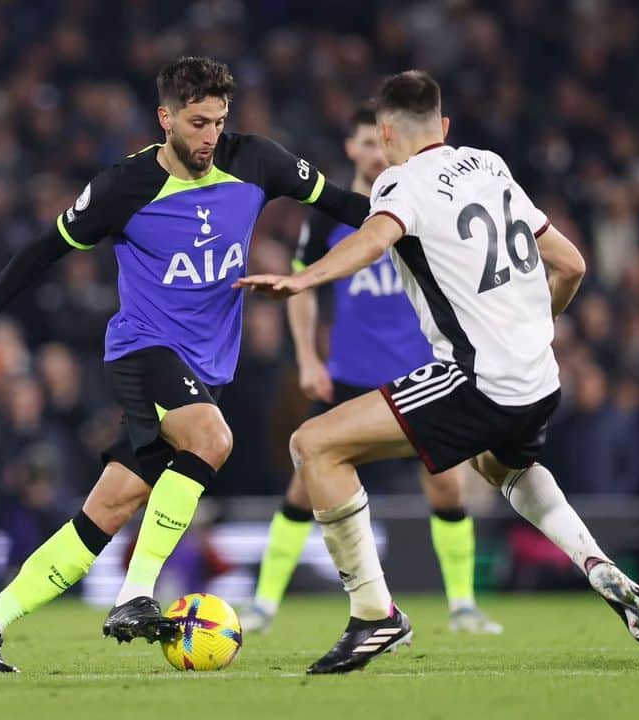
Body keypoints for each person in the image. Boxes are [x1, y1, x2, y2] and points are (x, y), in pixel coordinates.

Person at [0, 56, 370, 672]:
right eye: (196, 122)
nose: (210, 136)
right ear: (164, 118)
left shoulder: (259, 162)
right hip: (143, 352)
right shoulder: (124, 187)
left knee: (106, 509)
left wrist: (411, 224)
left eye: (218, 121)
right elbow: (41, 252)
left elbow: (345, 202)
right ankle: (136, 594)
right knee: (214, 439)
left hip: (205, 370)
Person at [237, 70, 639, 674]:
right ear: (444, 127)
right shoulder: (490, 166)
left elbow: (371, 239)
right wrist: (529, 328)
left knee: (314, 446)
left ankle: (373, 616)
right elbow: (570, 265)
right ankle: (595, 561)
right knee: (503, 467)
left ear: (385, 133)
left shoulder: (399, 183)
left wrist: (304, 278)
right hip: (540, 378)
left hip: (477, 380)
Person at [241, 104, 500, 635]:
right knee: (302, 487)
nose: (372, 152)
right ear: (350, 148)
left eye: (377, 143)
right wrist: (309, 357)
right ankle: (264, 604)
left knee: (447, 488)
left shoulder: (417, 201)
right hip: (349, 376)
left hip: (421, 371)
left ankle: (463, 606)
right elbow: (303, 289)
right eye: (362, 143)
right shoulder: (329, 214)